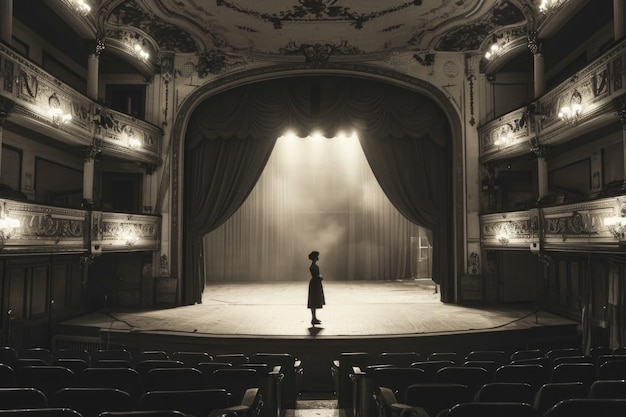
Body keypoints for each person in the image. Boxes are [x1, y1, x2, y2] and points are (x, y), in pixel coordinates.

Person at [307, 250, 325, 325]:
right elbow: (315, 275)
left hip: (315, 283)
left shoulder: (313, 265)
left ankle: (314, 317)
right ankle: (313, 318)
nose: (318, 258)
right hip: (315, 283)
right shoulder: (313, 266)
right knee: (313, 301)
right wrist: (320, 277)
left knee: (314, 301)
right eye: (317, 256)